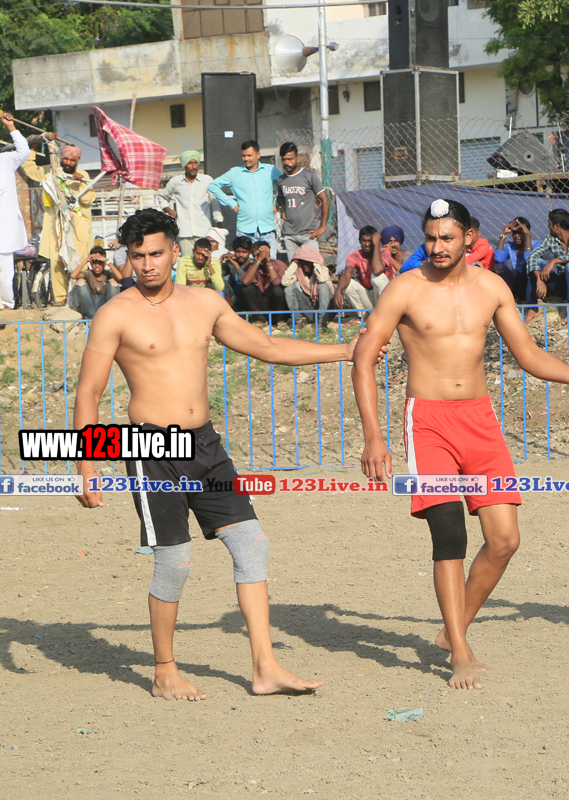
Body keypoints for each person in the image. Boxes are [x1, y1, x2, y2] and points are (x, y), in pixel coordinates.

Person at [72, 207, 361, 700]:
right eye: (138, 256)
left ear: (175, 252)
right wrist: (87, 464)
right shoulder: (115, 314)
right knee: (174, 561)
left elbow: (266, 346)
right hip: (151, 448)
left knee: (251, 544)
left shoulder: (205, 302)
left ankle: (265, 668)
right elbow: (89, 393)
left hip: (205, 444)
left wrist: (344, 351)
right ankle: (164, 670)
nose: (147, 264)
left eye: (156, 253)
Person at [353, 198, 569, 690]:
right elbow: (364, 357)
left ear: (469, 238)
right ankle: (460, 649)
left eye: (447, 238)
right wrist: (373, 436)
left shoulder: (492, 287)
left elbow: (528, 354)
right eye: (431, 238)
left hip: (479, 419)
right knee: (449, 533)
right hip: (427, 422)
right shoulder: (405, 288)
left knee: (505, 540)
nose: (437, 247)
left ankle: (452, 631)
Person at [21, 134, 96, 306]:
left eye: (72, 160)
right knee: (57, 261)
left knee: (79, 261)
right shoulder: (50, 171)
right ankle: (61, 299)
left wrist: (81, 182)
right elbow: (28, 168)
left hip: (77, 226)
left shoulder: (82, 175)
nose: (68, 162)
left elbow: (88, 200)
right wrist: (34, 146)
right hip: (55, 225)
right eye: (66, 159)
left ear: (77, 161)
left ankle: (81, 299)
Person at [207, 140, 282, 258]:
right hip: (245, 231)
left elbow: (284, 185)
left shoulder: (270, 170)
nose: (246, 159)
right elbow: (212, 186)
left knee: (270, 264)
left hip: (267, 229)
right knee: (248, 266)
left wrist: (277, 203)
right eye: (243, 156)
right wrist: (232, 204)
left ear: (258, 155)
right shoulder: (235, 173)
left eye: (249, 155)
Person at [0, 113, 31, 323]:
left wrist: (11, 127)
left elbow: (24, 151)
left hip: (4, 227)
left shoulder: (5, 160)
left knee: (3, 271)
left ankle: (6, 304)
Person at [158, 150, 223, 258]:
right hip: (184, 232)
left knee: (204, 261)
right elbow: (162, 197)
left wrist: (219, 224)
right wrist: (169, 211)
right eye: (190, 163)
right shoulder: (176, 182)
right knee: (187, 262)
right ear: (184, 165)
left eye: (196, 163)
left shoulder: (207, 180)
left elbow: (214, 202)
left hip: (204, 231)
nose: (193, 166)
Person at [276, 142, 328, 262]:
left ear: (297, 158)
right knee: (294, 269)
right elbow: (280, 197)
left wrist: (322, 227)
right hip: (290, 234)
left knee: (314, 266)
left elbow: (325, 199)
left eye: (290, 159)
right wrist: (284, 208)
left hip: (308, 234)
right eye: (284, 159)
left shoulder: (309, 176)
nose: (286, 162)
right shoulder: (281, 180)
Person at [335, 226, 389, 312]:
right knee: (348, 285)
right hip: (369, 296)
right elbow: (347, 274)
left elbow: (377, 270)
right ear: (359, 241)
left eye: (370, 241)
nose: (367, 244)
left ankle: (384, 314)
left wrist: (376, 245)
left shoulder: (384, 252)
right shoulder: (354, 256)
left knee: (377, 277)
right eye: (364, 241)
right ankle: (363, 316)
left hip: (386, 298)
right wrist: (338, 290)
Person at [282, 243, 334, 328]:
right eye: (302, 262)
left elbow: (322, 280)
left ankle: (322, 321)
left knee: (323, 285)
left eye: (308, 262)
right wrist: (294, 263)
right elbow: (284, 282)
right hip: (311, 310)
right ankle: (298, 321)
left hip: (327, 311)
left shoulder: (323, 270)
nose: (305, 265)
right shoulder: (299, 272)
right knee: (289, 288)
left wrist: (316, 263)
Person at [239, 241, 290, 326]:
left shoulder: (279, 264)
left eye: (258, 255)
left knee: (277, 290)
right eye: (254, 256)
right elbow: (245, 281)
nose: (256, 258)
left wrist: (268, 260)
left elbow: (276, 282)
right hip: (263, 302)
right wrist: (258, 260)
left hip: (278, 303)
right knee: (247, 289)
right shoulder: (254, 265)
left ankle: (280, 321)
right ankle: (261, 319)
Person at [67, 245, 122, 320]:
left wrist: (107, 261)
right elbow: (73, 276)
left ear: (104, 263)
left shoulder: (107, 273)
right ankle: (90, 318)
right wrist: (86, 260)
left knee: (114, 282)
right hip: (90, 305)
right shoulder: (88, 273)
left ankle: (109, 316)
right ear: (91, 263)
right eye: (94, 263)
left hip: (104, 304)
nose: (97, 265)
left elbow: (120, 277)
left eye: (100, 263)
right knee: (80, 281)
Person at [492, 216, 532, 306]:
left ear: (527, 232)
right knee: (498, 267)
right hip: (513, 283)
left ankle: (524, 298)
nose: (517, 236)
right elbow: (498, 259)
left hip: (527, 282)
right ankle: (509, 297)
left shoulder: (536, 245)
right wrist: (503, 234)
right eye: (514, 233)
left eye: (520, 233)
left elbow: (529, 260)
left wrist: (528, 236)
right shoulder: (509, 246)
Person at [219, 236, 255, 308]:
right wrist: (221, 261)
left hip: (248, 298)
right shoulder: (230, 264)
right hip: (234, 298)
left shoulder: (253, 265)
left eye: (244, 252)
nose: (241, 255)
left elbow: (245, 282)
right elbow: (217, 277)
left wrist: (236, 265)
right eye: (238, 252)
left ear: (249, 252)